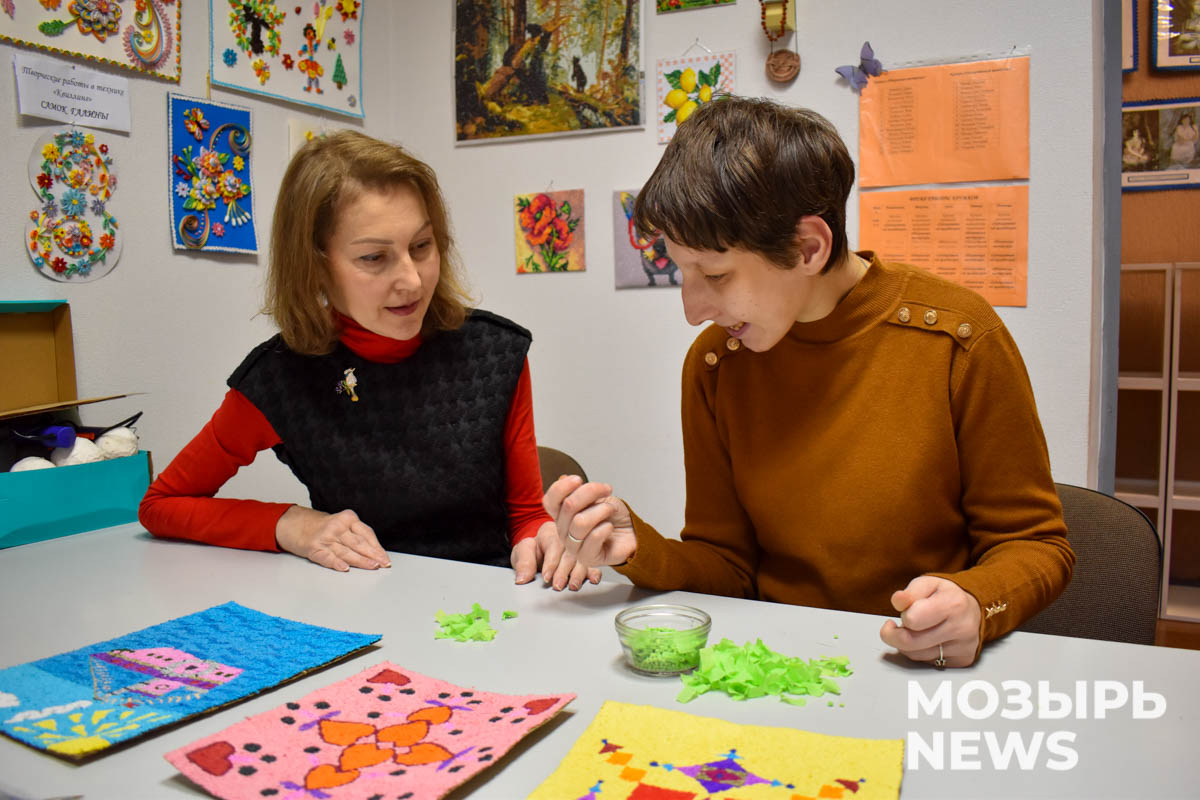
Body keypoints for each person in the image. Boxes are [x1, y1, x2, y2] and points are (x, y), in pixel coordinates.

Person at [542, 97, 1074, 668]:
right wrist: (638, 548)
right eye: (680, 271)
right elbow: (727, 566)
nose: (692, 311)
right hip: (777, 665)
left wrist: (978, 602)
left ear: (808, 248)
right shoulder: (716, 364)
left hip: (915, 668)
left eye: (715, 275)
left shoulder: (958, 339)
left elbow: (1037, 545)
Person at [141, 131, 594, 586]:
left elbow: (526, 515)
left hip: (487, 598)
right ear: (315, 265)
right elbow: (162, 505)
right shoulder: (279, 377)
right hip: (358, 602)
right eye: (375, 257)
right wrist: (292, 525)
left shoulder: (493, 352)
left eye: (422, 246)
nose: (412, 281)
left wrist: (541, 539)